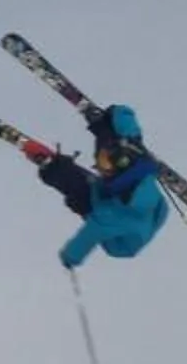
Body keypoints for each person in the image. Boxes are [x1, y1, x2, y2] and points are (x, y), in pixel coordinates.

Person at [19, 104, 168, 270]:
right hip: (141, 207)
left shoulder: (111, 215)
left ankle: (54, 168)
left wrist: (70, 257)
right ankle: (101, 127)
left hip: (121, 242)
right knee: (108, 140)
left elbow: (88, 236)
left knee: (80, 190)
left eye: (103, 165)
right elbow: (128, 121)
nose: (99, 167)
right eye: (100, 162)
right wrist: (115, 114)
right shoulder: (132, 149)